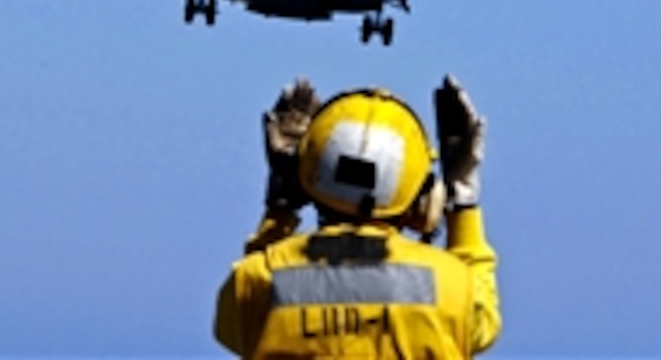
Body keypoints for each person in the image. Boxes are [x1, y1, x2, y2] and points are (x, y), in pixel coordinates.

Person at [213, 75, 500, 358]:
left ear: (307, 179)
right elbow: (481, 320)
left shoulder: (258, 278)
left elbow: (237, 322)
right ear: (424, 201)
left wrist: (280, 206)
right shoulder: (452, 284)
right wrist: (463, 198)